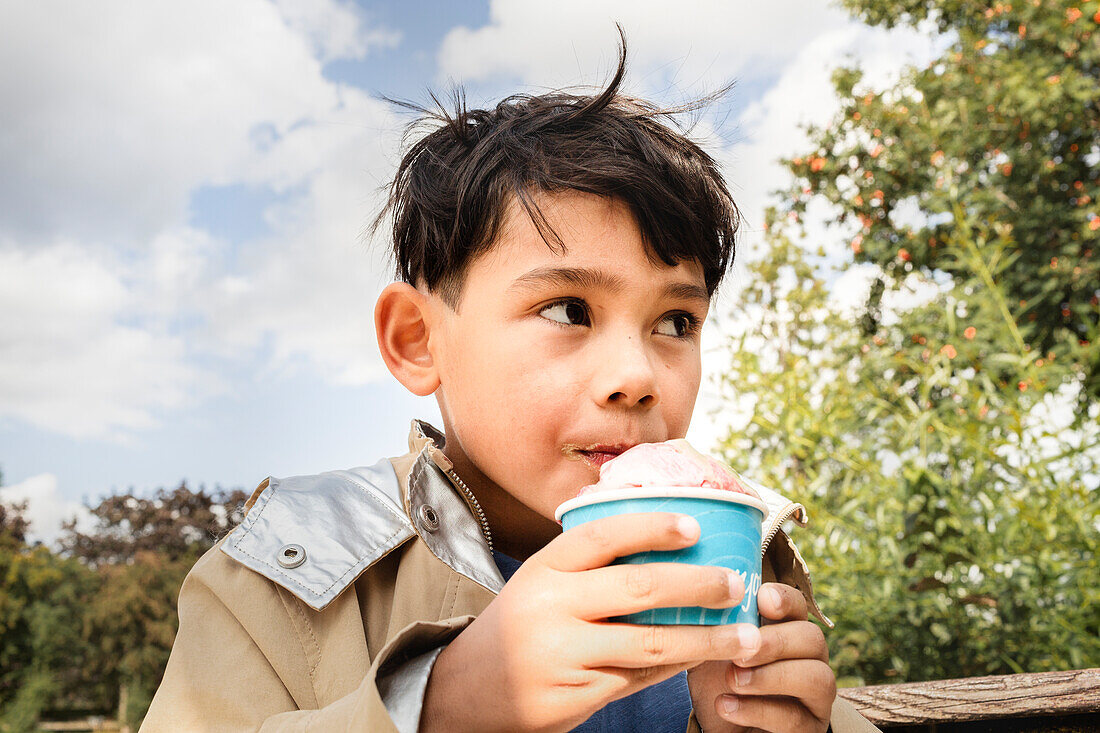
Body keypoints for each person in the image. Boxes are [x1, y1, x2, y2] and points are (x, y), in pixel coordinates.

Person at [141, 37, 880, 733]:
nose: (636, 376)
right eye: (568, 310)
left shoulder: (750, 560)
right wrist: (442, 705)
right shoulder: (280, 575)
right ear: (418, 339)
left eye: (676, 322)